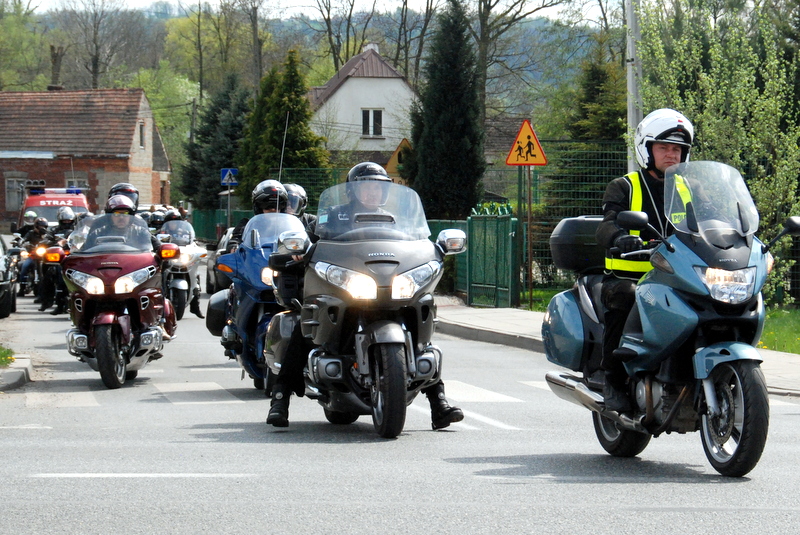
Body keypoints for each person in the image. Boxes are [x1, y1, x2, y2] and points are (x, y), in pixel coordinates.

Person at [267, 162, 465, 431]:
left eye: (378, 188)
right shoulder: (332, 216)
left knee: (419, 336)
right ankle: (280, 399)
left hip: (389, 285)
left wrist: (434, 249)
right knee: (306, 328)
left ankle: (438, 402)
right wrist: (300, 251)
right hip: (346, 286)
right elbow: (311, 241)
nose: (373, 192)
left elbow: (415, 243)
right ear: (353, 191)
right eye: (366, 187)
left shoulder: (398, 220)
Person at [595, 108, 694, 412]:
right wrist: (618, 237)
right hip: (629, 277)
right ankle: (612, 378)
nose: (671, 154)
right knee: (626, 297)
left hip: (676, 277)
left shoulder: (690, 189)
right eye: (663, 147)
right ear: (646, 149)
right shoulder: (625, 186)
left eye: (677, 149)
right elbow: (606, 225)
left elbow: (710, 223)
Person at [229, 180, 289, 250]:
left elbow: (297, 241)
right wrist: (234, 246)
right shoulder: (247, 225)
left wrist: (297, 251)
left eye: (277, 206)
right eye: (267, 205)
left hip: (282, 257)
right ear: (258, 207)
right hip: (254, 256)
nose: (273, 209)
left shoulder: (288, 226)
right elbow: (236, 239)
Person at [39, 207, 76, 313]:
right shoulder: (54, 230)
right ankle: (47, 301)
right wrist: (54, 242)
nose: (67, 223)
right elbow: (45, 240)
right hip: (58, 258)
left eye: (69, 221)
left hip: (73, 257)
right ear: (60, 220)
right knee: (47, 275)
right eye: (64, 221)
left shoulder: (77, 230)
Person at [82, 195, 154, 251]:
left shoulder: (141, 233)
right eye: (116, 214)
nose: (121, 217)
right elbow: (83, 253)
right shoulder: (97, 234)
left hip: (134, 265)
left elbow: (155, 249)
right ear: (109, 217)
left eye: (125, 214)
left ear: (131, 216)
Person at [18, 217, 49, 297]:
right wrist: (21, 242)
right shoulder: (31, 233)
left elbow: (53, 240)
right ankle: (22, 288)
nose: (42, 228)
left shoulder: (48, 234)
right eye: (40, 226)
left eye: (44, 226)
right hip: (33, 255)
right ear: (36, 226)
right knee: (24, 266)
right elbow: (24, 239)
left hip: (44, 256)